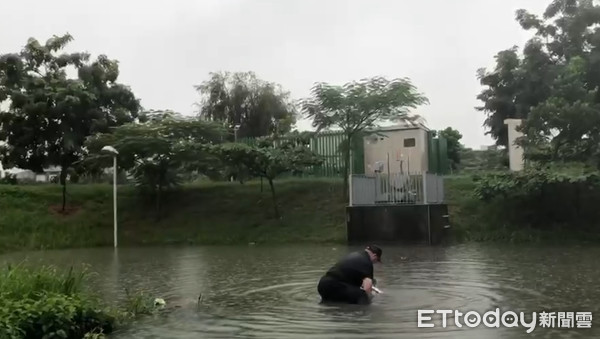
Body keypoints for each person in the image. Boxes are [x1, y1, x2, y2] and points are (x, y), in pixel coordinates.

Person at [317, 245, 382, 305]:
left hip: (323, 285)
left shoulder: (354, 255)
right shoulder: (367, 262)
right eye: (376, 260)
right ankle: (364, 316)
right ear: (375, 255)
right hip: (335, 287)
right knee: (363, 296)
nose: (374, 263)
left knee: (329, 305)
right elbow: (367, 288)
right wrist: (369, 300)